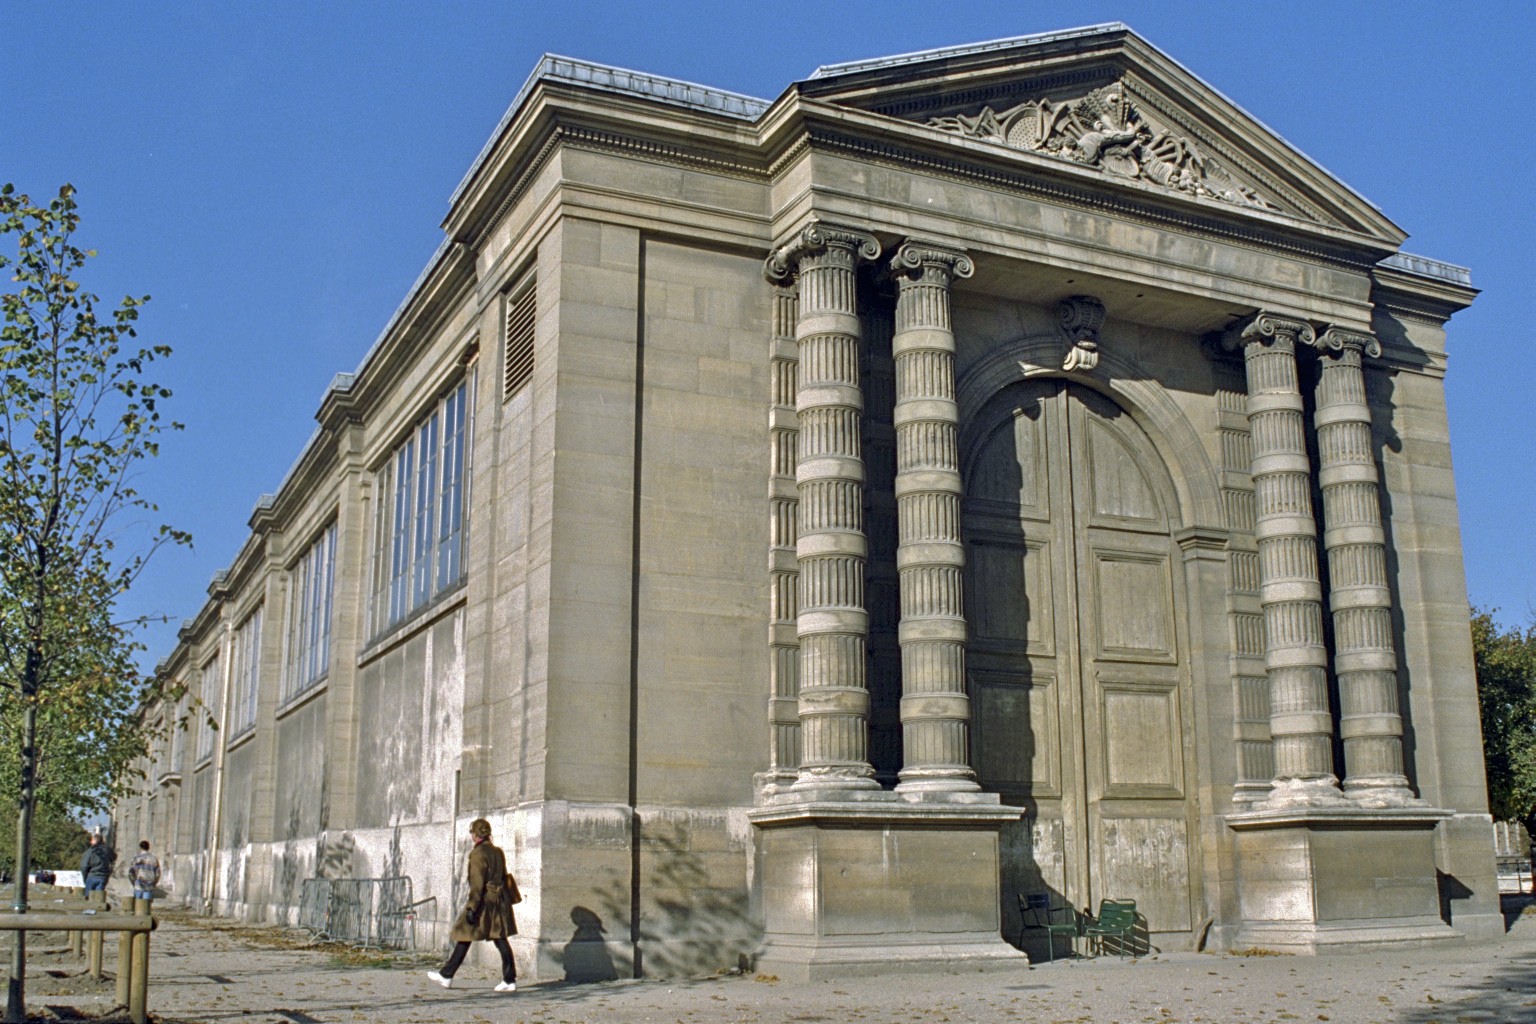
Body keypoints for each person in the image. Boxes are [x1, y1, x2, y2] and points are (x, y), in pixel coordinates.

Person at [426, 818, 518, 992]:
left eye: (472, 833)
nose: (471, 836)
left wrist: (472, 907)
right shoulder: (498, 851)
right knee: (498, 939)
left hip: (485, 902)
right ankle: (508, 979)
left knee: (466, 933)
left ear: (476, 835)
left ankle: (447, 975)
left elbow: (477, 883)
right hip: (499, 900)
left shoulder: (477, 854)